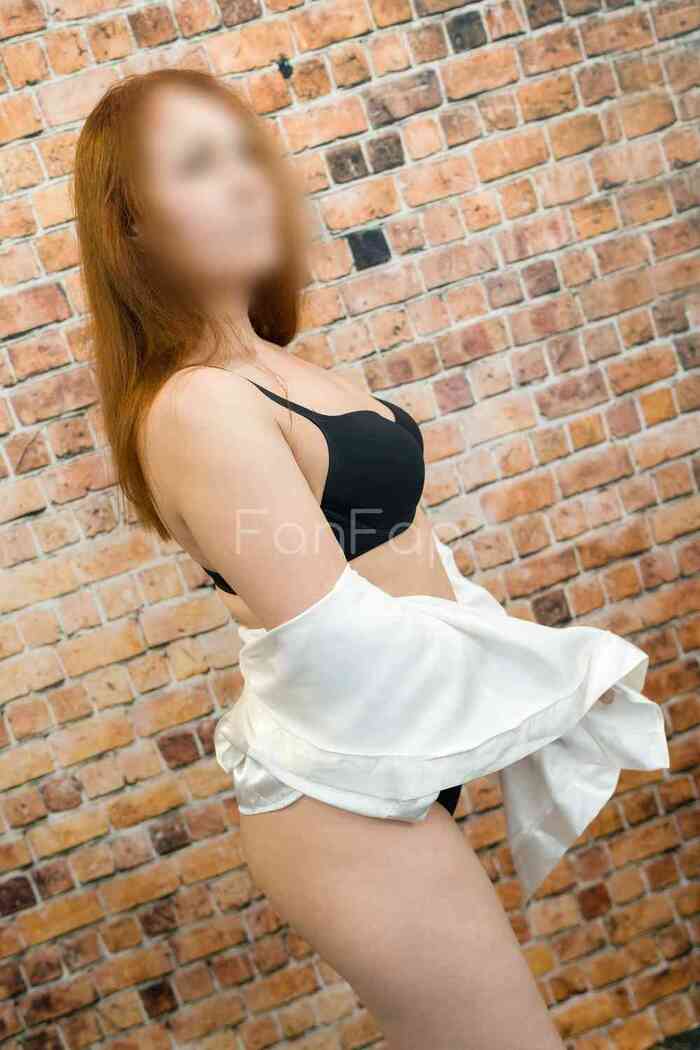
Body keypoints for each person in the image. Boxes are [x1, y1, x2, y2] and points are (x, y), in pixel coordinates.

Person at [73, 68, 669, 1050]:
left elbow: (407, 549)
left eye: (246, 154)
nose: (246, 180)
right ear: (131, 224)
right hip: (338, 802)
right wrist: (562, 670)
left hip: (387, 755)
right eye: (198, 164)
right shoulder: (197, 405)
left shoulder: (274, 365)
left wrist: (518, 657)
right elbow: (336, 640)